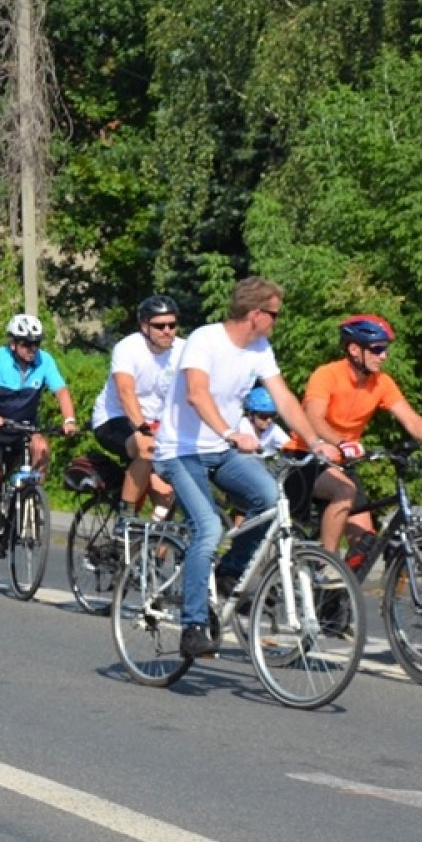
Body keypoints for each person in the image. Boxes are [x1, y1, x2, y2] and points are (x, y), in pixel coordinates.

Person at [152, 277, 343, 660]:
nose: (277, 321)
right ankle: (193, 626)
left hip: (220, 451)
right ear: (255, 314)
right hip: (180, 451)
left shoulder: (260, 348)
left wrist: (315, 442)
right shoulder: (205, 340)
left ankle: (230, 570)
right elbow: (196, 394)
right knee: (208, 528)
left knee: (271, 498)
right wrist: (229, 432)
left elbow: (284, 399)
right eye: (274, 314)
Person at [280, 315, 422, 567]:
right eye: (377, 349)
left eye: (385, 349)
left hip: (342, 463)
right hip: (305, 457)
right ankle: (326, 567)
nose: (384, 356)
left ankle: (342, 591)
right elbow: (313, 417)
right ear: (355, 349)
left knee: (366, 545)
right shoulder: (327, 374)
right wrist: (341, 442)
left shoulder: (382, 383)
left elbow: (411, 419)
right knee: (344, 490)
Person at [0, 314, 78, 566]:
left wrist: (69, 419)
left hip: (23, 428)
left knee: (42, 446)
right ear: (13, 343)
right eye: (27, 343)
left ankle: (29, 498)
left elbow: (61, 391)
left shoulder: (44, 361)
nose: (32, 349)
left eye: (36, 343)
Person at [89, 294, 184, 516]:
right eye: (160, 326)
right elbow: (126, 392)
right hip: (114, 418)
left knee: (166, 496)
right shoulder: (128, 348)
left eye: (172, 325)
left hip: (158, 424)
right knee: (146, 447)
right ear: (144, 327)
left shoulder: (184, 349)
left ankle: (157, 535)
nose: (167, 331)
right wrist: (143, 428)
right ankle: (127, 515)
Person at [238, 386, 289, 454]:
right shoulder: (241, 427)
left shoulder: (272, 428)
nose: (269, 420)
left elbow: (288, 445)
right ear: (250, 415)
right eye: (264, 416)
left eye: (273, 415)